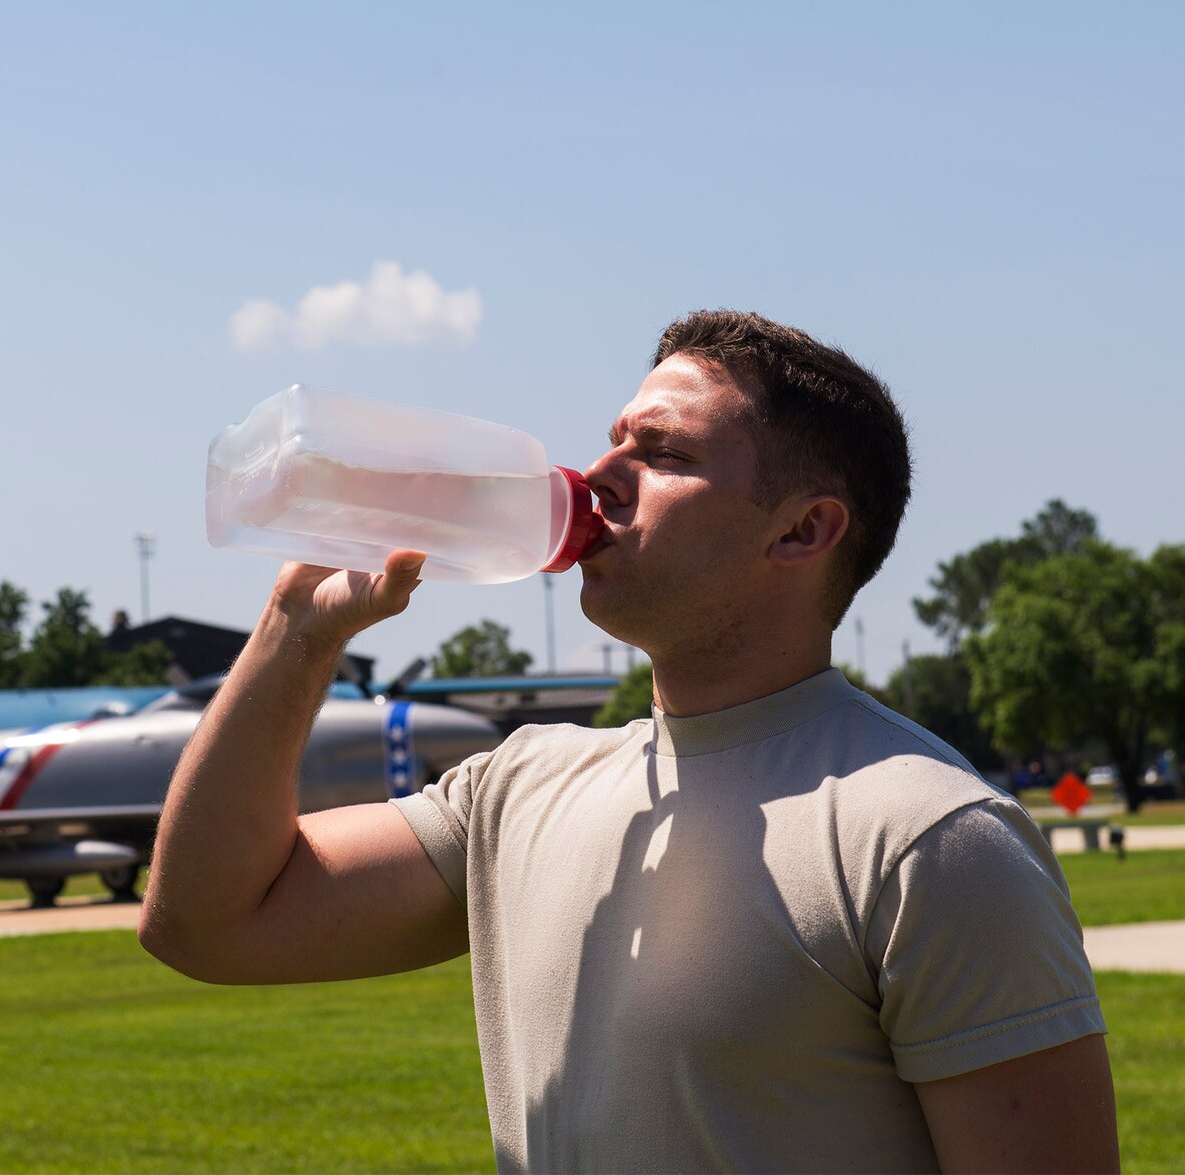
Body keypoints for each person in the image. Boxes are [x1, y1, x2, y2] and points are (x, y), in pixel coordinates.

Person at [140, 311, 1116, 1173]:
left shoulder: (930, 840)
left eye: (662, 454)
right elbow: (208, 923)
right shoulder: (517, 787)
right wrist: (293, 631)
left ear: (803, 531)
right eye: (612, 440)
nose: (595, 474)